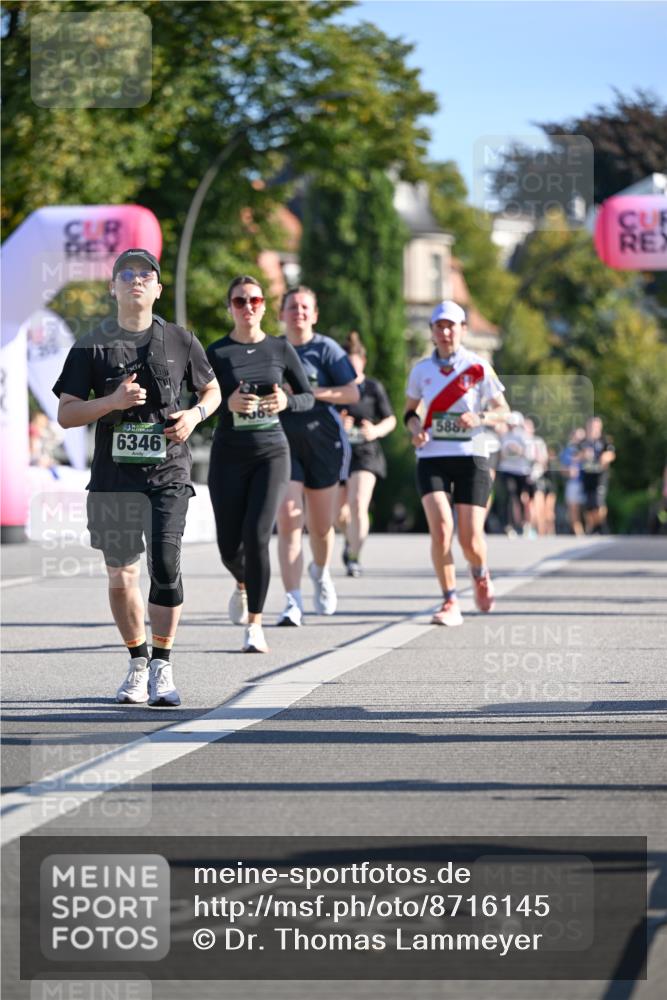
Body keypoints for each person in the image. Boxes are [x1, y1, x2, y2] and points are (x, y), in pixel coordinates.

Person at [54, 248, 221, 706]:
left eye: (145, 274)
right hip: (113, 478)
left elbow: (211, 389)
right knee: (121, 573)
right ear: (113, 288)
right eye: (125, 274)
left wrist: (195, 415)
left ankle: (163, 666)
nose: (136, 280)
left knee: (165, 565)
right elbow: (67, 413)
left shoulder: (181, 340)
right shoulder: (91, 345)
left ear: (158, 288)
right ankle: (138, 661)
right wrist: (111, 402)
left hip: (168, 471)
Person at [206, 275, 314, 653]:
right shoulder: (216, 353)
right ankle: (242, 582)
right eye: (240, 301)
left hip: (271, 453)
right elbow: (195, 403)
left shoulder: (280, 349)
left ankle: (255, 624)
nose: (248, 307)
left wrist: (286, 402)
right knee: (228, 547)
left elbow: (308, 397)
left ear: (265, 306)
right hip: (228, 455)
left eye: (254, 300)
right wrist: (227, 403)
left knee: (257, 537)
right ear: (230, 308)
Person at [404, 300, 509, 626]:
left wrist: (479, 417)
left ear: (463, 329)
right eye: (440, 326)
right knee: (441, 530)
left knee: (470, 539)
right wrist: (415, 430)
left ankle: (480, 572)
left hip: (472, 456)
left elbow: (503, 411)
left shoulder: (478, 367)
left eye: (451, 326)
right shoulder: (421, 370)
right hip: (432, 456)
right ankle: (450, 600)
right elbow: (410, 412)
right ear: (432, 331)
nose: (445, 332)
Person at [276, 286, 359, 626]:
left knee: (321, 527)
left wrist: (312, 393)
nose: (299, 312)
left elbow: (352, 393)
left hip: (323, 445)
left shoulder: (326, 349)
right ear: (281, 313)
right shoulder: (273, 349)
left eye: (305, 307)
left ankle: (321, 572)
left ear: (314, 314)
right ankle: (292, 600)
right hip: (282, 444)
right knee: (288, 518)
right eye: (292, 306)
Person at [337, 332, 396, 577]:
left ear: (363, 361)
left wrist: (375, 431)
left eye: (355, 364)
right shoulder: (336, 389)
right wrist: (339, 424)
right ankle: (349, 539)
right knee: (339, 514)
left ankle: (354, 557)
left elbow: (391, 419)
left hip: (366, 453)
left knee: (358, 503)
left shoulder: (373, 388)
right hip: (339, 454)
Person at [577, 416, 616, 534]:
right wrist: (583, 455)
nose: (593, 429)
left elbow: (611, 454)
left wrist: (605, 458)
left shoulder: (604, 440)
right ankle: (593, 527)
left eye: (596, 426)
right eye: (591, 426)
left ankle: (601, 526)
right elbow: (576, 456)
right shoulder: (583, 442)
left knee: (599, 502)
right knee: (589, 505)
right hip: (587, 476)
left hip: (600, 477)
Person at [497, 412, 532, 537]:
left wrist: (517, 450)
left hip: (521, 471)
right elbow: (500, 454)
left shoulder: (524, 436)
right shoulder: (504, 436)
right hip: (507, 470)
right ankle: (508, 525)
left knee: (521, 497)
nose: (511, 426)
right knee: (509, 496)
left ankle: (523, 524)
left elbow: (529, 454)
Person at [559, 427, 585, 536]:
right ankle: (579, 534)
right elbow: (562, 469)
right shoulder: (568, 451)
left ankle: (590, 530)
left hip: (587, 483)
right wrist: (568, 472)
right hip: (573, 483)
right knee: (573, 509)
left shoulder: (587, 448)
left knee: (588, 510)